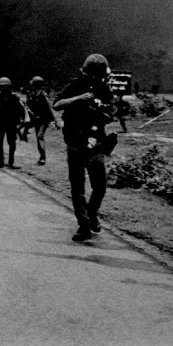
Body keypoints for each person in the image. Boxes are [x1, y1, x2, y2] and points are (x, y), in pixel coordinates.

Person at [53, 53, 116, 242]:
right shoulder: (75, 85)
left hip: (94, 142)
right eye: (93, 74)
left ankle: (91, 214)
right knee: (77, 186)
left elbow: (110, 113)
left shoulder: (104, 89)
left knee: (100, 186)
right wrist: (78, 99)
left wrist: (100, 111)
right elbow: (57, 104)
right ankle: (83, 226)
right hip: (74, 142)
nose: (95, 78)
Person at [0, 77, 25, 169]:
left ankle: (11, 163)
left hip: (11, 124)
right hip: (0, 124)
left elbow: (20, 110)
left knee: (12, 144)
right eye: (1, 87)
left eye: (5, 87)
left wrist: (20, 121)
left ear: (9, 87)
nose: (3, 88)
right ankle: (0, 162)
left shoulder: (15, 98)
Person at [25, 76, 61, 165]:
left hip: (44, 119)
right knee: (38, 137)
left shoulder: (42, 94)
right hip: (37, 119)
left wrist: (55, 121)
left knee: (40, 136)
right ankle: (41, 156)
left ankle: (43, 158)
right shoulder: (33, 94)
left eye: (33, 84)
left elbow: (50, 108)